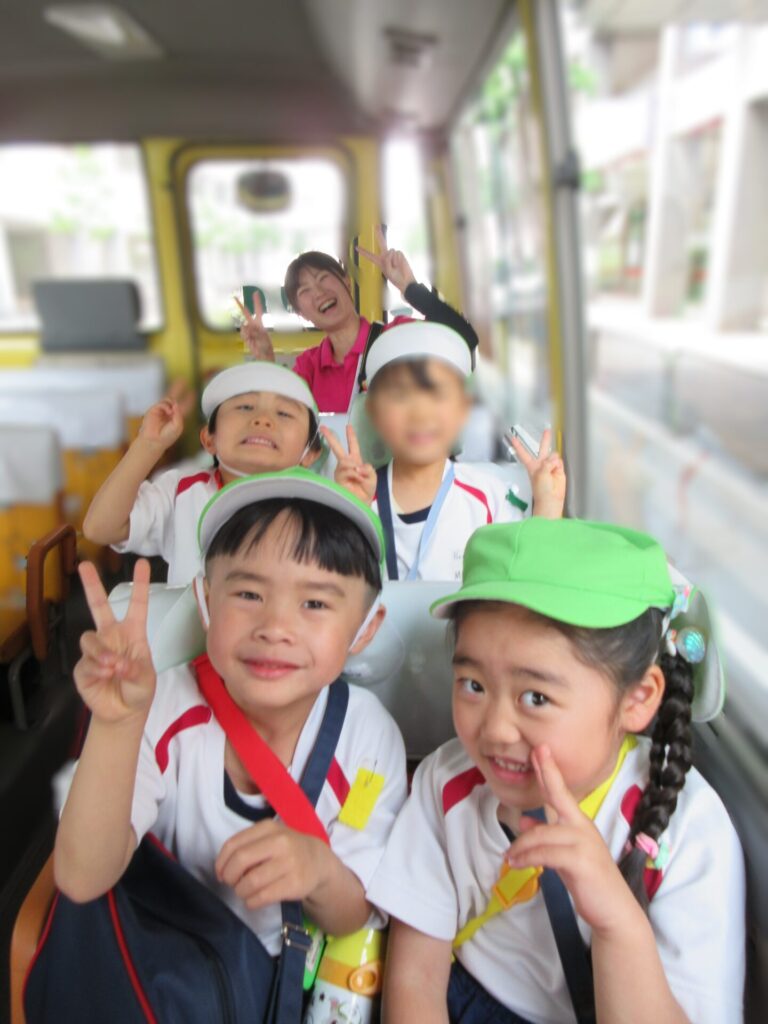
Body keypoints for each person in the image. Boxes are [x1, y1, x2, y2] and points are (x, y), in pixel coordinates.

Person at [367, 517, 745, 1024]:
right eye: (474, 685)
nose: (495, 729)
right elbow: (416, 978)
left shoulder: (688, 831)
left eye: (536, 697)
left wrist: (616, 922)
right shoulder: (449, 782)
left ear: (638, 699)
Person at [54, 468, 408, 961]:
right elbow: (80, 877)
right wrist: (116, 725)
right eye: (248, 594)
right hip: (167, 969)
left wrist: (320, 871)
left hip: (287, 977)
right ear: (205, 602)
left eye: (314, 602)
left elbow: (352, 913)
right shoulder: (160, 710)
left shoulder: (368, 741)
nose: (275, 627)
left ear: (365, 628)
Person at [326, 320, 566, 581]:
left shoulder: (491, 497)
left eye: (438, 394)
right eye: (400, 395)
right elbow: (335, 584)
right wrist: (351, 513)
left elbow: (524, 581)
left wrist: (547, 508)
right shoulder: (358, 496)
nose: (420, 413)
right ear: (374, 412)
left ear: (463, 409)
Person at [83, 363, 326, 584]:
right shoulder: (181, 492)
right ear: (209, 439)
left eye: (284, 413)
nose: (262, 419)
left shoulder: (323, 506)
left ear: (311, 453)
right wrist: (148, 445)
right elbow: (99, 528)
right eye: (245, 407)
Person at [237, 227, 478, 413]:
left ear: (347, 283)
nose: (318, 292)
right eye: (305, 291)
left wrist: (410, 288)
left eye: (323, 278)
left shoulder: (396, 337)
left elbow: (464, 337)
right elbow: (278, 419)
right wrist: (265, 358)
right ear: (301, 314)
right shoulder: (308, 367)